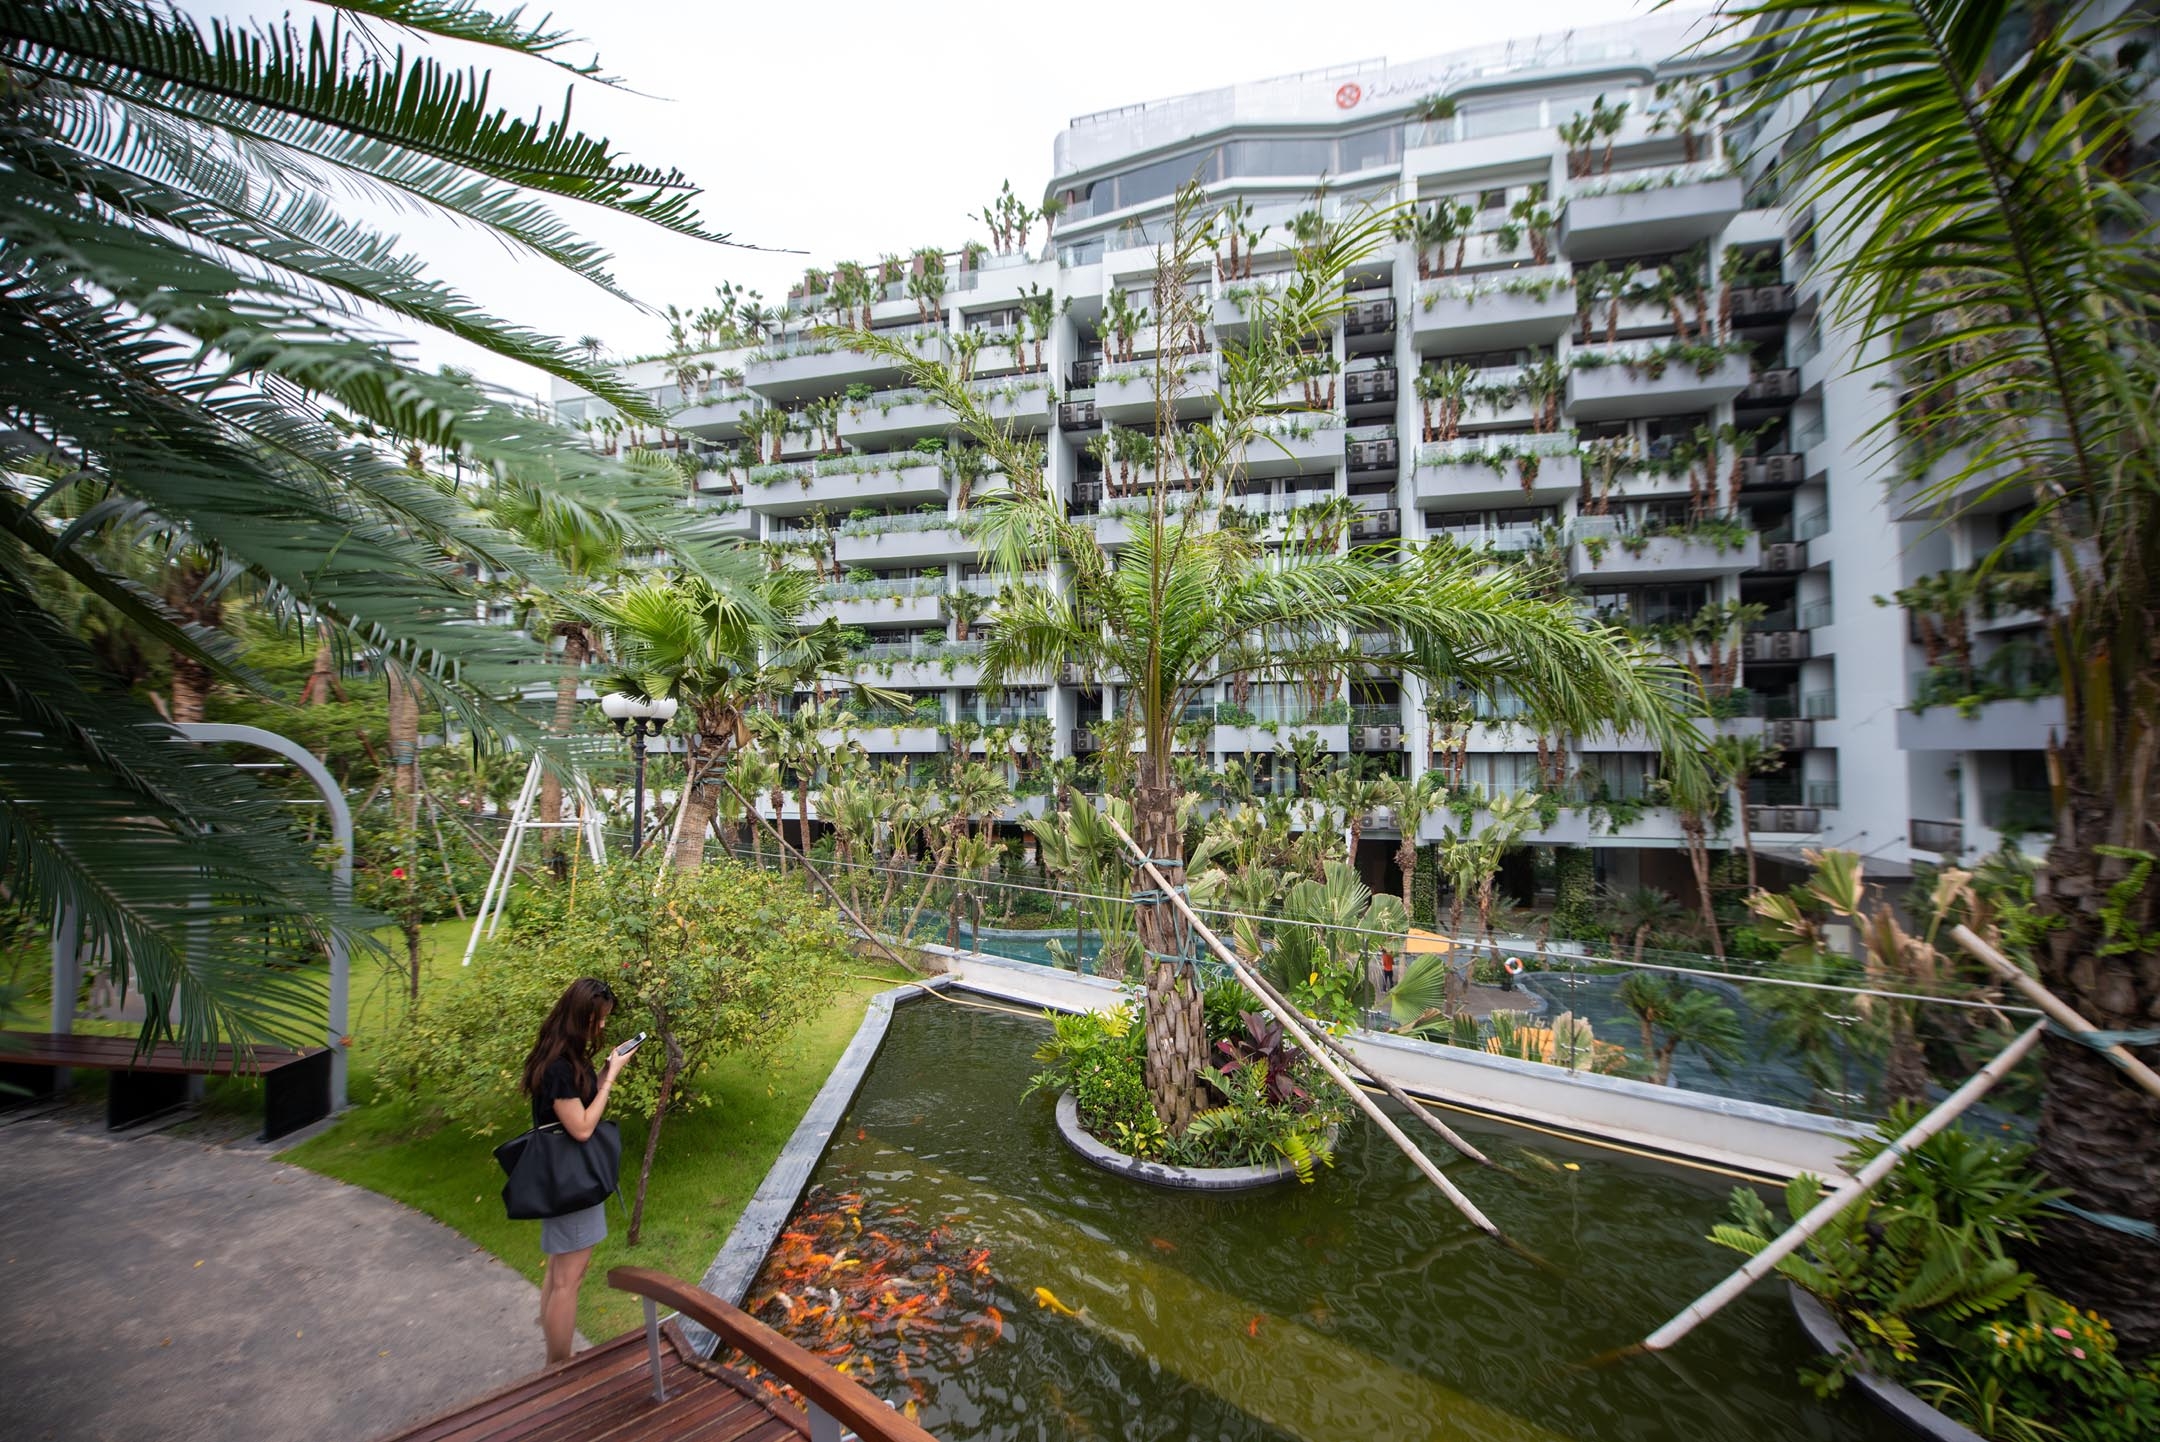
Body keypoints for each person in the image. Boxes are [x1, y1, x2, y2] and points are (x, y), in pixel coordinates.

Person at [521, 976, 636, 1365]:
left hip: (563, 1178)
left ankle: (554, 1360)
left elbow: (580, 1100)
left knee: (559, 1273)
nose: (602, 1027)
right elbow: (583, 1127)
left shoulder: (566, 1056)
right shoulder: (558, 1067)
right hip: (571, 1182)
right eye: (599, 1020)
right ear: (581, 1017)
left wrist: (605, 1070)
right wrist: (612, 1082)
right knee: (569, 1281)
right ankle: (559, 1366)